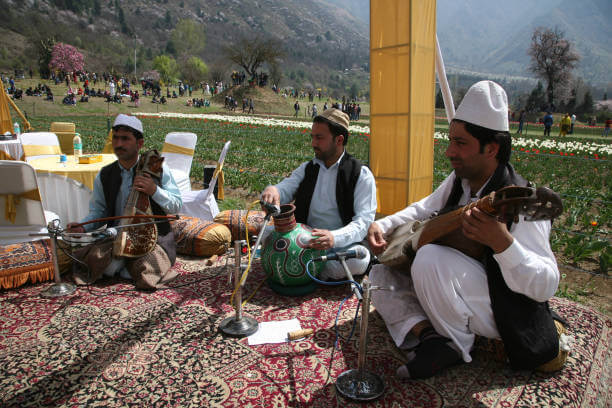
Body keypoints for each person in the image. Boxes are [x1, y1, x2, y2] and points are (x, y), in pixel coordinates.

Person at [367, 81, 562, 379]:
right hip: (458, 295)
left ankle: (456, 344)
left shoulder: (518, 200)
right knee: (379, 276)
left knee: (430, 257)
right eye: (451, 141)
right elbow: (423, 208)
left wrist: (504, 245)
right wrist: (382, 224)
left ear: (492, 148)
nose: (449, 152)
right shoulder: (461, 179)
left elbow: (546, 286)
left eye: (460, 143)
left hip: (503, 309)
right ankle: (431, 336)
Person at [67, 114, 182, 290]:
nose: (119, 144)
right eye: (116, 138)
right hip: (117, 237)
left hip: (152, 239)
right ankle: (120, 264)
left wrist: (154, 190)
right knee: (99, 264)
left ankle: (129, 267)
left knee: (144, 269)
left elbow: (177, 206)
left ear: (139, 143)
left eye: (125, 139)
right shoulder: (105, 174)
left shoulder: (156, 167)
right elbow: (99, 212)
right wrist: (83, 227)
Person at [261, 108, 377, 280]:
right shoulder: (308, 168)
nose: (313, 143)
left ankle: (300, 266)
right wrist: (273, 191)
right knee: (264, 233)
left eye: (319, 138)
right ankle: (310, 267)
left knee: (360, 260)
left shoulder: (360, 174)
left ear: (339, 140)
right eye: (313, 137)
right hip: (304, 240)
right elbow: (287, 187)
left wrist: (334, 237)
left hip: (339, 244)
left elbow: (363, 222)